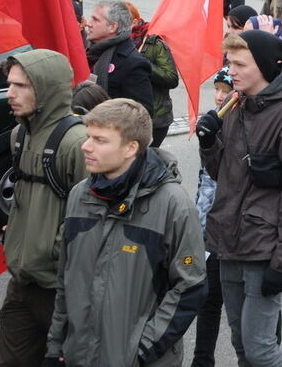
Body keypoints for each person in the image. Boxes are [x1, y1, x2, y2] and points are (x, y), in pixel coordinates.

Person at [44, 99, 207, 366]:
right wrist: (55, 347)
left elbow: (190, 286)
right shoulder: (79, 196)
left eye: (99, 140)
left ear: (131, 147)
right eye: (88, 137)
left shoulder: (173, 205)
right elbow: (66, 279)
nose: (86, 146)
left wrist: (141, 352)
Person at [196, 31, 282, 367]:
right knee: (241, 343)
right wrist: (209, 142)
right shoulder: (236, 106)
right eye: (229, 63)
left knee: (260, 348)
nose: (230, 71)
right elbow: (221, 174)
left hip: (263, 248)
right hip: (229, 242)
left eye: (239, 64)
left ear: (264, 67)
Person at [0, 51, 88, 367]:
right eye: (9, 84)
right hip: (21, 283)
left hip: (61, 291)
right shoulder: (19, 135)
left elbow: (92, 217)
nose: (10, 93)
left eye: (21, 85)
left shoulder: (78, 142)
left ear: (45, 89)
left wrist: (51, 249)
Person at [192, 68, 232, 367]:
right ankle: (202, 359)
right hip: (210, 224)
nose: (219, 96)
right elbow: (204, 181)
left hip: (237, 228)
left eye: (225, 89)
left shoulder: (245, 124)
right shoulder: (213, 120)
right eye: (216, 89)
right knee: (208, 299)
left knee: (245, 305)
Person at [86, 0, 154, 115]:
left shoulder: (132, 62)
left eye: (95, 20)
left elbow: (142, 112)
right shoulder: (89, 51)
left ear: (112, 27)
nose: (88, 23)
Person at [125, 2, 179, 148]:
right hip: (128, 117)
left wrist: (143, 63)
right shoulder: (118, 44)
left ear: (134, 22)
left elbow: (171, 78)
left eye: (123, 22)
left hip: (156, 118)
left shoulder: (153, 43)